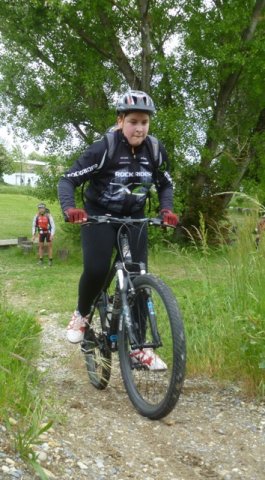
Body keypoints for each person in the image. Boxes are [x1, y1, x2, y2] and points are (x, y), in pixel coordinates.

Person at [58, 90, 178, 369]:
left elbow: (166, 184)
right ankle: (82, 313)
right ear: (120, 120)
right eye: (133, 121)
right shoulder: (104, 148)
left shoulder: (155, 150)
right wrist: (70, 209)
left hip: (134, 217)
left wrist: (166, 208)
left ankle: (138, 349)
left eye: (144, 123)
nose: (139, 128)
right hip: (99, 215)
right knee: (98, 269)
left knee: (138, 278)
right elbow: (67, 180)